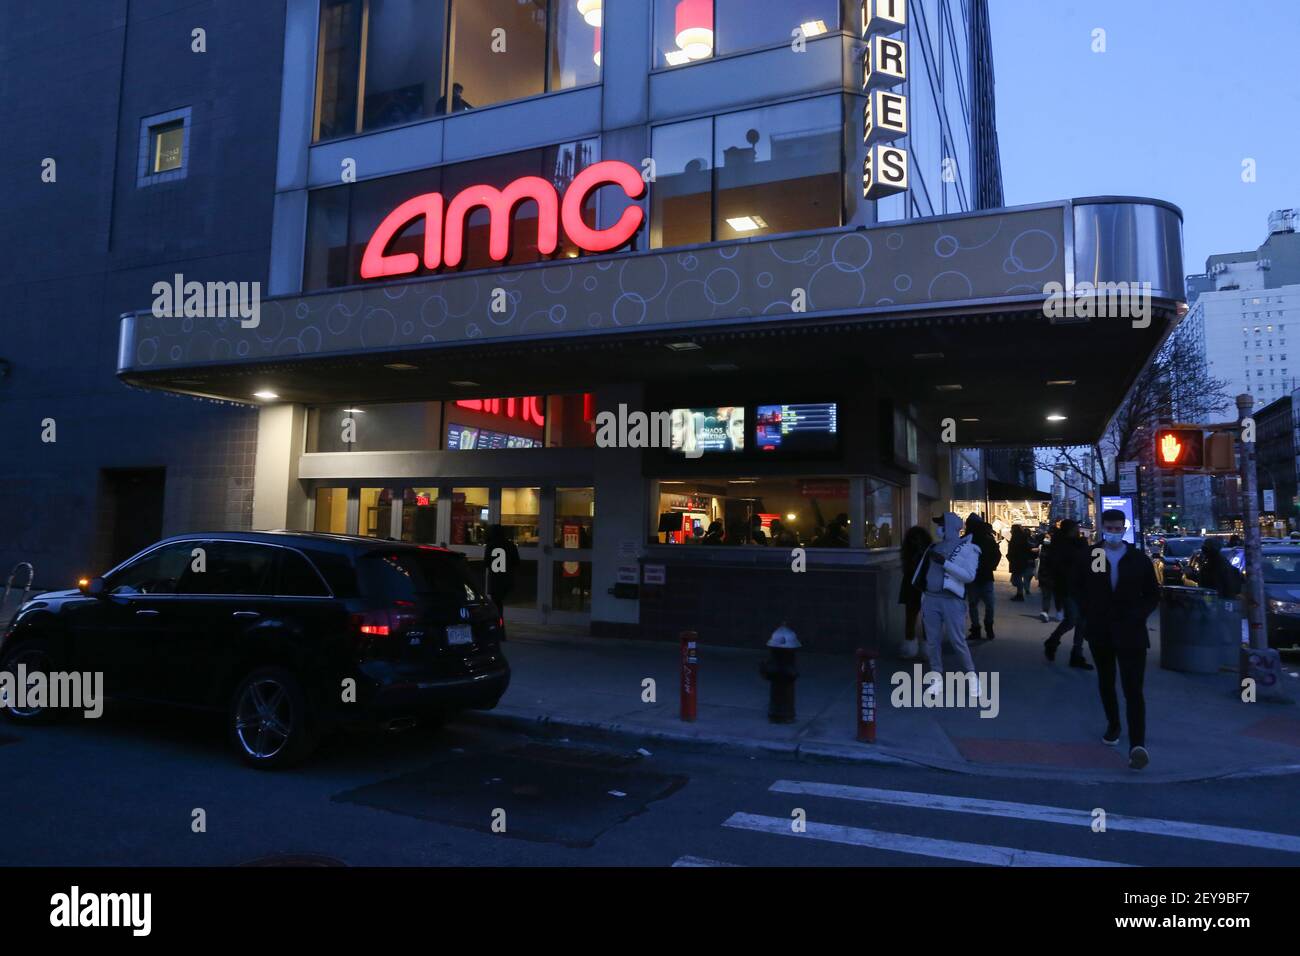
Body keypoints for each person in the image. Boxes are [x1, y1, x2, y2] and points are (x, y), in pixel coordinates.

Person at [1076, 508, 1160, 770]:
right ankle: (1113, 725)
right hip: (1101, 631)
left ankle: (1138, 744)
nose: (1113, 533)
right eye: (1109, 529)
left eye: (1117, 529)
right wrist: (1089, 614)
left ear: (1124, 529)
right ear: (1101, 528)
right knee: (1107, 681)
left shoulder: (1137, 559)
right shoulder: (1092, 556)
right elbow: (1079, 588)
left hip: (1132, 633)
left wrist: (1138, 615)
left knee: (1133, 689)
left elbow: (1152, 594)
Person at [915, 512, 980, 680]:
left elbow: (969, 576)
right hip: (931, 598)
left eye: (941, 524)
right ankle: (936, 675)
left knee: (958, 641)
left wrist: (945, 563)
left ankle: (971, 676)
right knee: (932, 641)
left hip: (952, 601)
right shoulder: (934, 547)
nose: (938, 528)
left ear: (950, 526)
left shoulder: (968, 549)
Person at [1044, 518, 1093, 669]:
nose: (1078, 530)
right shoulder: (1061, 545)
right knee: (1072, 619)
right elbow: (1066, 565)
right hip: (1068, 588)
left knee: (1081, 622)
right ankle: (1053, 641)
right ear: (1070, 530)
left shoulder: (1074, 544)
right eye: (1075, 528)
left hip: (1080, 588)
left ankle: (1076, 654)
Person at [897, 525, 933, 660]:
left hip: (913, 587)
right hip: (922, 587)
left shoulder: (909, 552)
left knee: (913, 619)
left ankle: (911, 647)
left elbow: (907, 570)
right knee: (922, 620)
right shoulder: (926, 551)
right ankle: (924, 649)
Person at [965, 514, 1001, 640]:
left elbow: (997, 555)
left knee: (974, 604)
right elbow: (997, 555)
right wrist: (991, 566)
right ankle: (986, 627)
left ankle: (978, 629)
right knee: (988, 604)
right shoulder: (987, 538)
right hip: (983, 577)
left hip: (975, 577)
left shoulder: (967, 539)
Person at [483, 524, 520, 614]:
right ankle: (500, 621)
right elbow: (516, 562)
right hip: (506, 578)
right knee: (500, 601)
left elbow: (486, 562)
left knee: (496, 603)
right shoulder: (510, 545)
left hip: (495, 578)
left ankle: (498, 621)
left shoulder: (490, 545)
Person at [1007, 524, 1037, 601]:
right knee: (1016, 578)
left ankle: (1020, 594)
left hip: (1017, 561)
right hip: (1018, 561)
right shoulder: (1020, 538)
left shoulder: (1017, 538)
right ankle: (1020, 593)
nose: (1011, 530)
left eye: (1012, 529)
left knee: (1016, 579)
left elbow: (1016, 550)